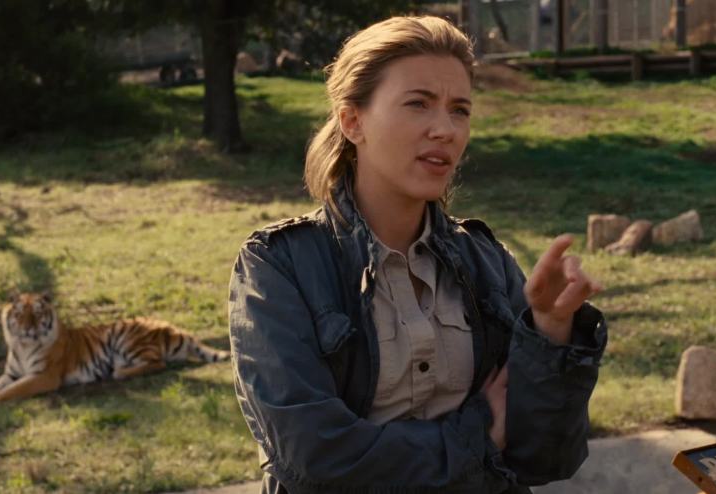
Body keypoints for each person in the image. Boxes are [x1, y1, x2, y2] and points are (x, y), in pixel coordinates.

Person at [228, 15, 607, 494]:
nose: (445, 129)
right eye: (418, 104)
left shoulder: (486, 261)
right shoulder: (280, 266)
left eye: (460, 110)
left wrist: (551, 333)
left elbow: (545, 457)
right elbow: (314, 459)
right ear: (352, 121)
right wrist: (478, 435)